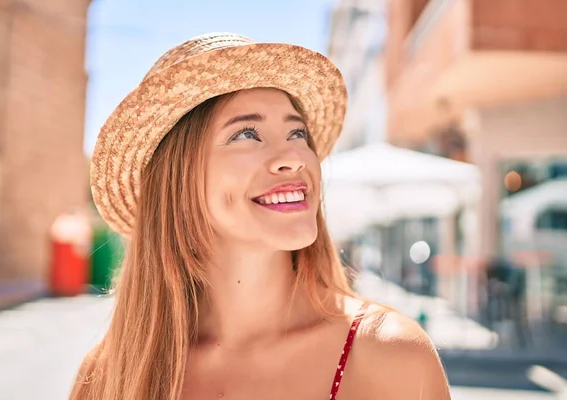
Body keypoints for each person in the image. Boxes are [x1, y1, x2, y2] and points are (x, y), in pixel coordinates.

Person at [71, 33, 450, 400]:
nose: (293, 157)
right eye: (246, 134)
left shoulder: (390, 354)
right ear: (178, 180)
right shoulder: (110, 375)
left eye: (297, 133)